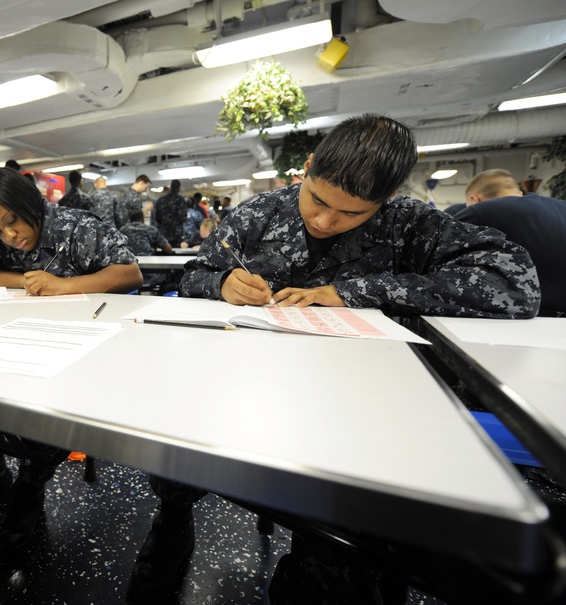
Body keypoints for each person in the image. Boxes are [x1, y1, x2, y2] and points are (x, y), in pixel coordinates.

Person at [125, 114, 540, 605]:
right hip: (242, 389)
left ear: (382, 203)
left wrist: (353, 293)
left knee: (341, 561)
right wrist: (220, 284)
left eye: (351, 215)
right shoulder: (258, 214)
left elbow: (515, 285)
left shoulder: (409, 222)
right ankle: (172, 521)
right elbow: (195, 273)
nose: (324, 221)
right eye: (317, 200)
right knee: (174, 450)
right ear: (307, 168)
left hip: (355, 411)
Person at [0, 168, 142, 551]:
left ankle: (29, 488)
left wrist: (67, 286)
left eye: (12, 221)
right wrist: (28, 279)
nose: (10, 237)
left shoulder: (77, 225)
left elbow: (130, 272)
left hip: (78, 350)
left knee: (50, 412)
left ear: (29, 202)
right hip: (19, 341)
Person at [456, 170, 566, 316]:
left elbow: (438, 250)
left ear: (474, 199)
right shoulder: (561, 206)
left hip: (534, 320)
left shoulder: (481, 211)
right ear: (519, 193)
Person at [120, 209, 173, 288]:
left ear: (130, 219)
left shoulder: (121, 230)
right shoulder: (151, 229)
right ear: (143, 219)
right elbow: (168, 249)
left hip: (129, 274)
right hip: (151, 274)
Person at [153, 179, 187, 247]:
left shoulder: (161, 200)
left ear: (171, 187)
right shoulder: (180, 200)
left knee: (163, 253)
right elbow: (183, 218)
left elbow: (156, 218)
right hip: (176, 233)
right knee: (176, 254)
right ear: (178, 187)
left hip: (163, 233)